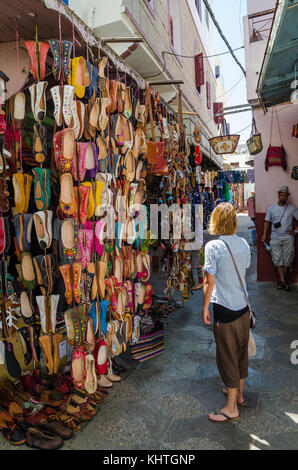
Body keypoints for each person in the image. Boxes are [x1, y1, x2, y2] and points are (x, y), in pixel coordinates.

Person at [202, 202, 251, 423]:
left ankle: (231, 408)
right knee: (240, 354)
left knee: (227, 357)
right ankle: (239, 394)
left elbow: (209, 282)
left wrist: (205, 307)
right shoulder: (243, 243)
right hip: (243, 308)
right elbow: (244, 272)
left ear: (215, 221)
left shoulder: (213, 247)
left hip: (224, 308)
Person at [261, 186, 298, 291]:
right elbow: (267, 221)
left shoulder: (292, 208)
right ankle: (283, 282)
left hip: (288, 238)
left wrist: (295, 231)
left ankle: (281, 281)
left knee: (287, 260)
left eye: (285, 196)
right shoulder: (271, 208)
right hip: (275, 238)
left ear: (287, 197)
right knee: (277, 260)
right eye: (281, 195)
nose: (283, 197)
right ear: (278, 196)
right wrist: (264, 234)